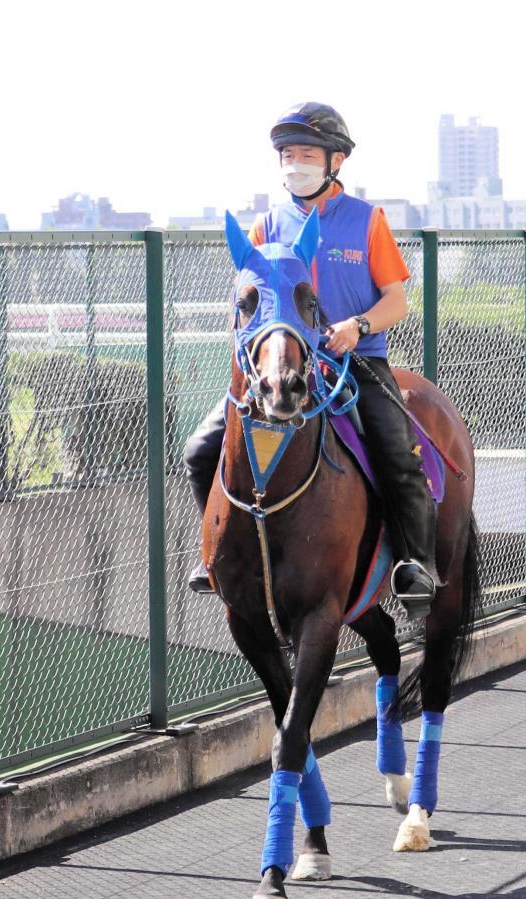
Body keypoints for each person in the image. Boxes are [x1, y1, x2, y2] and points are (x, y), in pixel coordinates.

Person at [184, 102, 439, 613]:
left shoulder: (368, 221)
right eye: (286, 154)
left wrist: (357, 326)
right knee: (198, 450)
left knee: (397, 455)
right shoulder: (265, 226)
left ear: (335, 161)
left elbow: (398, 300)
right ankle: (217, 552)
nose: (293, 163)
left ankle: (417, 566)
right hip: (280, 369)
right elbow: (246, 303)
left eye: (305, 154)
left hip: (356, 362)